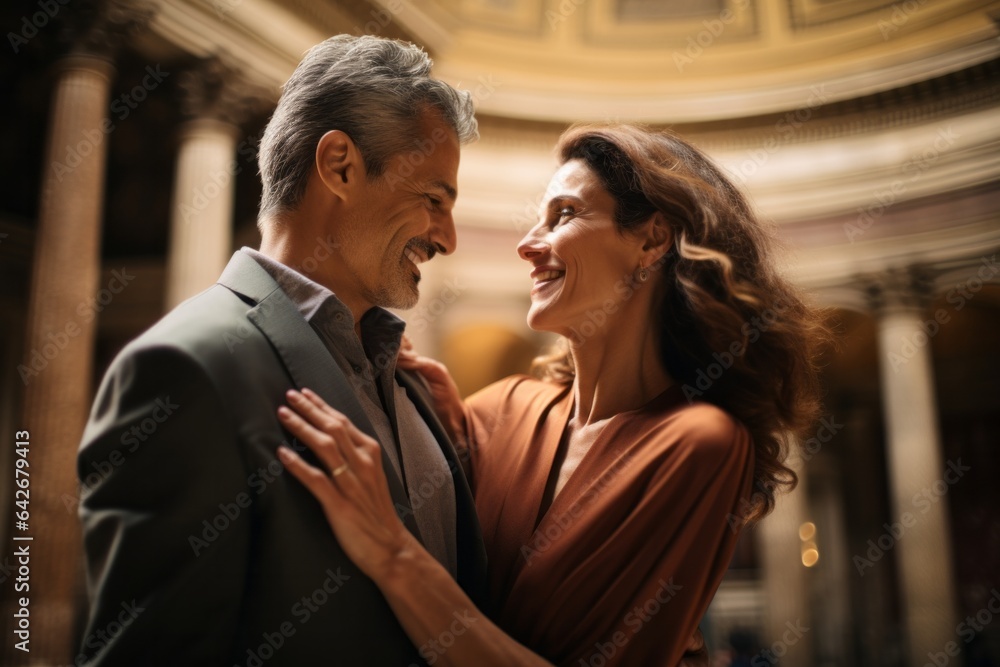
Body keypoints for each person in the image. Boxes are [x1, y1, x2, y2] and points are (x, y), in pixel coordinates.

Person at [276, 124, 828, 666]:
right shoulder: (503, 406)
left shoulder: (698, 443)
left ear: (652, 239)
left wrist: (392, 554)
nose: (526, 244)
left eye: (563, 215)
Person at [76, 35, 488, 665]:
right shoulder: (182, 369)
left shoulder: (410, 384)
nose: (448, 238)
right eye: (434, 200)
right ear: (340, 166)